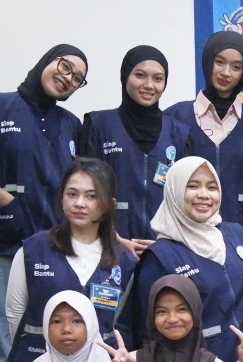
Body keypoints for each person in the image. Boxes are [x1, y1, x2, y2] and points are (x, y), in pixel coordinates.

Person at [0, 44, 88, 362]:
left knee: (51, 329)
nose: (68, 78)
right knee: (0, 336)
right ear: (46, 61)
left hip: (53, 248)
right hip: (0, 245)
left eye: (77, 78)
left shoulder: (71, 125)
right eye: (64, 66)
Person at [4, 157, 132, 362]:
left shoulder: (125, 262)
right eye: (72, 194)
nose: (79, 203)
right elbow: (14, 312)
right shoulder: (33, 250)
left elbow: (118, 323)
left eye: (91, 196)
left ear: (109, 205)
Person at [128, 156, 243, 357]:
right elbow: (148, 332)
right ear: (174, 190)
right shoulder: (159, 257)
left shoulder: (238, 234)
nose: (204, 195)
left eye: (212, 187)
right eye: (192, 186)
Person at [77, 45, 194, 250]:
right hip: (107, 246)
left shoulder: (180, 133)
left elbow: (187, 198)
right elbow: (85, 191)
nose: (149, 85)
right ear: (125, 77)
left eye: (158, 79)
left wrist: (169, 244)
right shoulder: (98, 125)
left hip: (163, 248)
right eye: (140, 75)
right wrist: (112, 237)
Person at [166, 30, 243, 228]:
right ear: (208, 62)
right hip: (186, 235)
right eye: (219, 62)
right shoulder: (174, 118)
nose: (226, 73)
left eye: (236, 67)